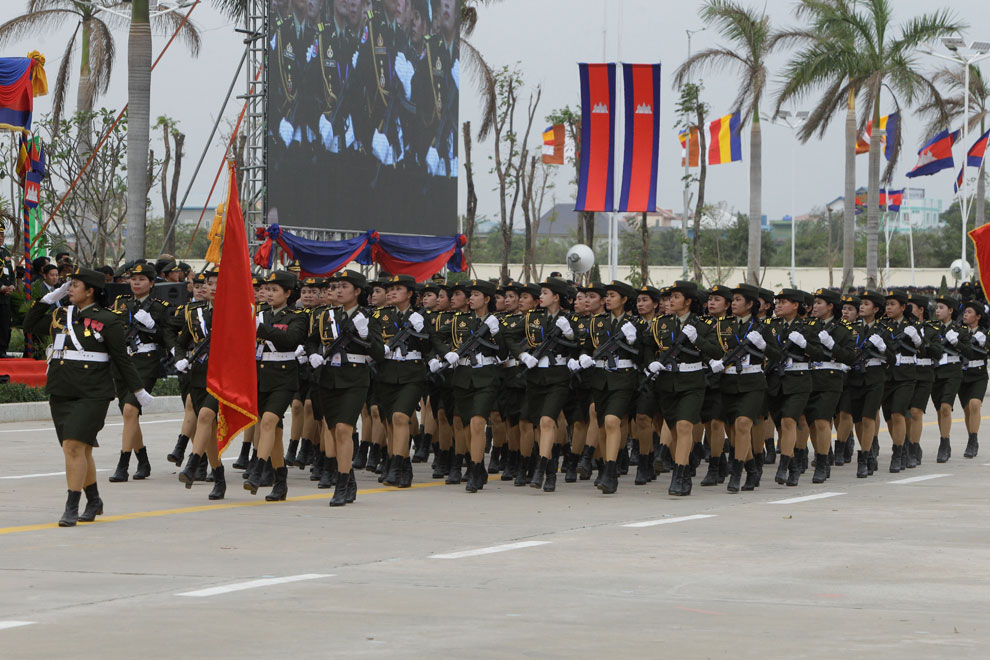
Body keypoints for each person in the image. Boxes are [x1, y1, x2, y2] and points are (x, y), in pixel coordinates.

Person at [23, 267, 153, 526]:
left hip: (92, 392)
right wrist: (46, 300)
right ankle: (94, 500)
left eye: (75, 286)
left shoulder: (108, 319)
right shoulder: (62, 314)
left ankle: (72, 505)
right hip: (61, 389)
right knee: (78, 449)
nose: (69, 289)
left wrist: (138, 390)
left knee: (73, 445)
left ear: (91, 291)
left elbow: (121, 359)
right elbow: (29, 325)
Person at [644, 281, 720, 496]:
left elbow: (716, 352)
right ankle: (685, 467)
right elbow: (648, 346)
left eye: (676, 297)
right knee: (676, 429)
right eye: (670, 297)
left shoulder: (703, 324)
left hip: (692, 381)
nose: (671, 301)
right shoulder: (661, 323)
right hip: (667, 382)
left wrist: (698, 340)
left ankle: (678, 475)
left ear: (688, 301)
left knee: (685, 425)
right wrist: (651, 362)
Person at [430, 278, 505, 492]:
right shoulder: (459, 320)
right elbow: (433, 336)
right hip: (462, 376)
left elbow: (503, 353)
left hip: (486, 377)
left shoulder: (495, 322)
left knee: (477, 423)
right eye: (470, 295)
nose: (471, 298)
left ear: (487, 299)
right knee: (465, 425)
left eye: (475, 295)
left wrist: (496, 332)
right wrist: (445, 354)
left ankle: (473, 468)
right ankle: (478, 464)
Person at [307, 269, 372, 505]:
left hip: (354, 379)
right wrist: (313, 354)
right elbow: (312, 340)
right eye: (335, 287)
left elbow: (378, 353)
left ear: (357, 291)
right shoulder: (328, 315)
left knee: (345, 429)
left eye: (344, 287)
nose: (338, 291)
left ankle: (341, 483)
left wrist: (366, 335)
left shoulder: (367, 316)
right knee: (333, 430)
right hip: (328, 378)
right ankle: (349, 478)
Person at [243, 271, 308, 501]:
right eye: (267, 289)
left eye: (274, 290)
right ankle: (281, 481)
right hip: (261, 378)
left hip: (284, 378)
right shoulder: (261, 315)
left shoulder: (297, 316)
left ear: (288, 293)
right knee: (274, 432)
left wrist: (257, 327)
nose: (269, 294)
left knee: (268, 421)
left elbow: (290, 340)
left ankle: (259, 469)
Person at [709, 283, 780, 493]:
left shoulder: (763, 327)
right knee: (732, 430)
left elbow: (778, 356)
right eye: (733, 300)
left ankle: (736, 473)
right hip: (728, 383)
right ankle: (752, 468)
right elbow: (713, 348)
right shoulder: (723, 326)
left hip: (753, 383)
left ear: (750, 304)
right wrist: (715, 361)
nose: (734, 304)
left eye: (739, 300)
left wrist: (764, 346)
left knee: (742, 425)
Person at [107, 263, 173, 483]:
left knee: (129, 411)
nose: (136, 283)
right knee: (130, 416)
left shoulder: (161, 307)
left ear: (152, 283)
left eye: (142, 279)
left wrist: (153, 326)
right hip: (122, 361)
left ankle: (123, 464)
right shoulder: (120, 303)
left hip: (145, 361)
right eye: (133, 279)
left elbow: (167, 337)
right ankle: (143, 460)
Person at [370, 274, 432, 487]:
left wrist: (421, 329)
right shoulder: (381, 315)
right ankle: (403, 465)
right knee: (389, 422)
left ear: (410, 293)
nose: (392, 292)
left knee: (400, 417)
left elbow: (428, 348)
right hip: (386, 373)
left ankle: (395, 466)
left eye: (398, 289)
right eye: (390, 289)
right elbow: (373, 343)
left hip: (412, 374)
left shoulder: (421, 317)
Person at [765, 289, 823, 487]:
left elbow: (818, 354)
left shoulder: (808, 327)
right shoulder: (772, 326)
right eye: (777, 302)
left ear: (796, 305)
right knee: (781, 424)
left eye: (783, 302)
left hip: (798, 381)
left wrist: (805, 344)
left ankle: (785, 464)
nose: (778, 305)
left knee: (790, 421)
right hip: (775, 380)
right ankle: (795, 463)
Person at [930, 294, 969, 462]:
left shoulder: (961, 330)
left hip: (953, 371)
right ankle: (944, 436)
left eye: (941, 308)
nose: (937, 311)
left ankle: (944, 443)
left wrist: (957, 344)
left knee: (946, 408)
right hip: (936, 372)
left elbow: (969, 352)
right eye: (937, 308)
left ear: (951, 310)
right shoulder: (931, 329)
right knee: (939, 409)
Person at [959, 299, 988, 458]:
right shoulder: (959, 331)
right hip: (962, 374)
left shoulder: (986, 332)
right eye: (965, 312)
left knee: (975, 404)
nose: (966, 314)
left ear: (978, 316)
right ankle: (971, 437)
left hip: (979, 374)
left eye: (969, 312)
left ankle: (973, 440)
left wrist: (986, 343)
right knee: (967, 410)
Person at [0, 222, 15, 358]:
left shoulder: (5, 253)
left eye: (2, 235)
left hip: (5, 298)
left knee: (5, 324)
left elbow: (10, 273)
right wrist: (1, 287)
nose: (0, 237)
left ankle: (2, 350)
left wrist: (12, 286)